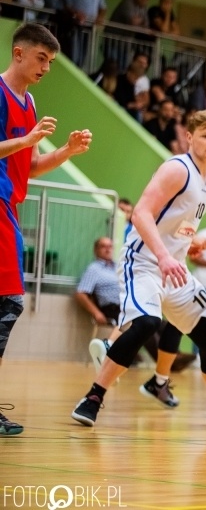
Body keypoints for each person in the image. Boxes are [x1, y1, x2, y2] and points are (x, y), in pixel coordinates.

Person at [70, 108, 206, 429]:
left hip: (173, 267)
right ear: (189, 137)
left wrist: (189, 244)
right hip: (144, 261)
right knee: (146, 323)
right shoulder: (177, 169)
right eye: (205, 136)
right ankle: (93, 397)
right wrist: (164, 255)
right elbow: (141, 214)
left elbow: (183, 221)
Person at [0, 24, 93, 436]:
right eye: (41, 58)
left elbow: (31, 167)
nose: (46, 68)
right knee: (9, 305)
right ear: (19, 53)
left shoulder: (31, 103)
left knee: (4, 306)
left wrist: (65, 152)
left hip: (11, 204)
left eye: (52, 62)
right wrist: (26, 141)